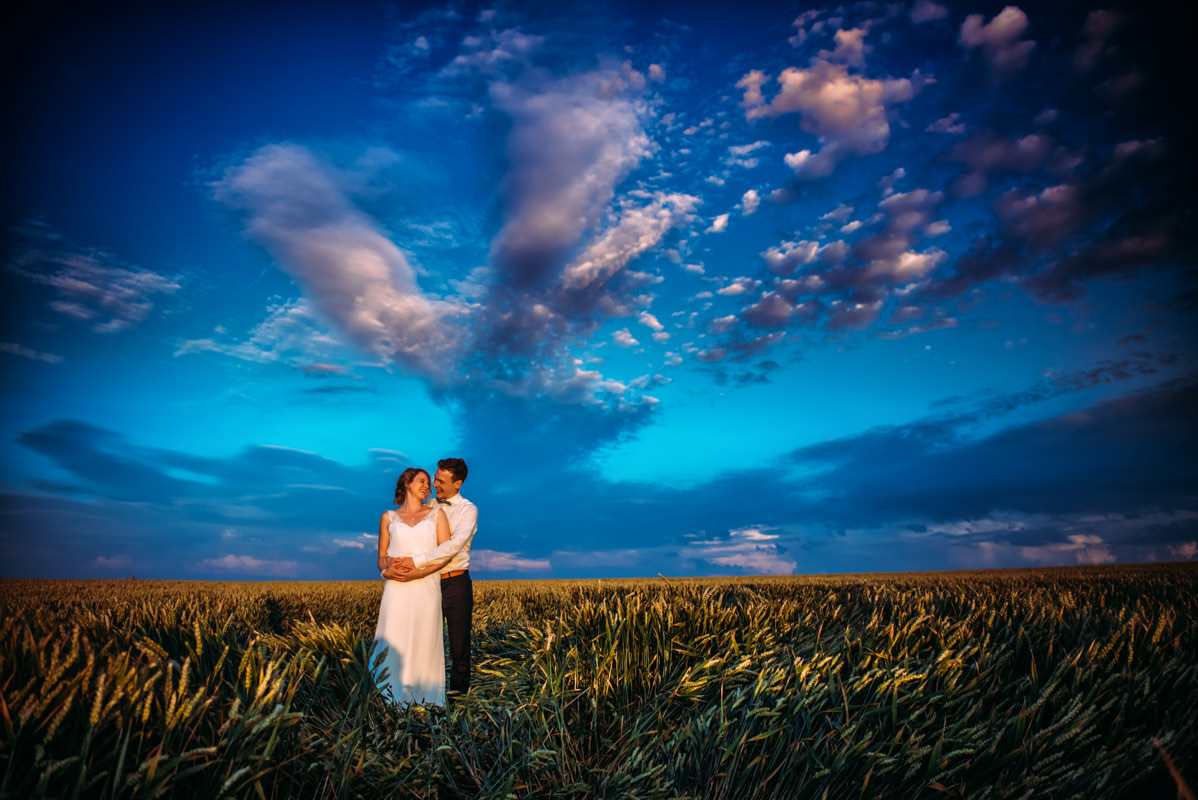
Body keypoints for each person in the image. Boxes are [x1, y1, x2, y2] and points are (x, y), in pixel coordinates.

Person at [385, 457, 478, 695]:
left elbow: (452, 547)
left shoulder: (469, 510)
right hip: (427, 583)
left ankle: (457, 704)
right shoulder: (428, 507)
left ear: (458, 483)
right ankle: (421, 694)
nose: (434, 485)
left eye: (440, 481)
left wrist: (415, 564)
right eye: (434, 479)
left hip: (456, 582)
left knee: (459, 649)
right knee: (423, 640)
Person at [373, 467, 451, 705]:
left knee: (424, 639)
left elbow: (445, 554)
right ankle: (388, 700)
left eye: (428, 482)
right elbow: (381, 558)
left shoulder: (437, 515)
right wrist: (389, 568)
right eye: (421, 481)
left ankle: (426, 700)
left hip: (426, 586)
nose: (427, 486)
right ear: (406, 483)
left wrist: (418, 572)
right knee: (394, 638)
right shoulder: (388, 517)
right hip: (396, 589)